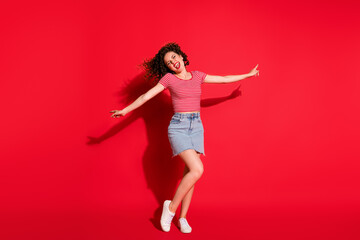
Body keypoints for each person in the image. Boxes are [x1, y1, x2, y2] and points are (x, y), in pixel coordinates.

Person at [110, 42, 259, 233]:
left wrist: (247, 75)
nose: (173, 62)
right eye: (168, 62)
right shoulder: (169, 80)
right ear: (168, 67)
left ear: (181, 56)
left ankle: (183, 218)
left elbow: (222, 79)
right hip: (178, 127)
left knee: (190, 173)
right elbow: (146, 96)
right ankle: (170, 208)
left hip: (196, 127)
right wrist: (124, 110)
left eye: (174, 57)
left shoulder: (197, 76)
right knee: (198, 169)